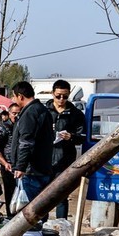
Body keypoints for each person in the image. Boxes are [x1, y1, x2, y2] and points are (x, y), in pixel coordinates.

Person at [8, 81, 55, 204]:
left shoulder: (29, 113)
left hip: (31, 170)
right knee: (41, 207)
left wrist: (20, 166)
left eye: (14, 96)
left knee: (30, 210)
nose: (13, 99)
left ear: (20, 96)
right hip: (43, 167)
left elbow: (26, 142)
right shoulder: (43, 110)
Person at [49, 80, 86, 218]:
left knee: (61, 194)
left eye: (65, 96)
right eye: (58, 96)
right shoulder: (44, 111)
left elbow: (82, 136)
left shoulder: (76, 114)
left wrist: (71, 136)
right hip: (45, 158)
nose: (61, 99)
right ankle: (40, 226)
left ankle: (61, 225)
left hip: (65, 158)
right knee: (41, 195)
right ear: (53, 93)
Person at [0, 103, 20, 216]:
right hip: (8, 165)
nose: (16, 116)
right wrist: (4, 163)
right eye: (14, 113)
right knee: (10, 192)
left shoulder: (24, 126)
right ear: (9, 114)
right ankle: (10, 216)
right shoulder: (3, 128)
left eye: (19, 113)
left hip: (22, 165)